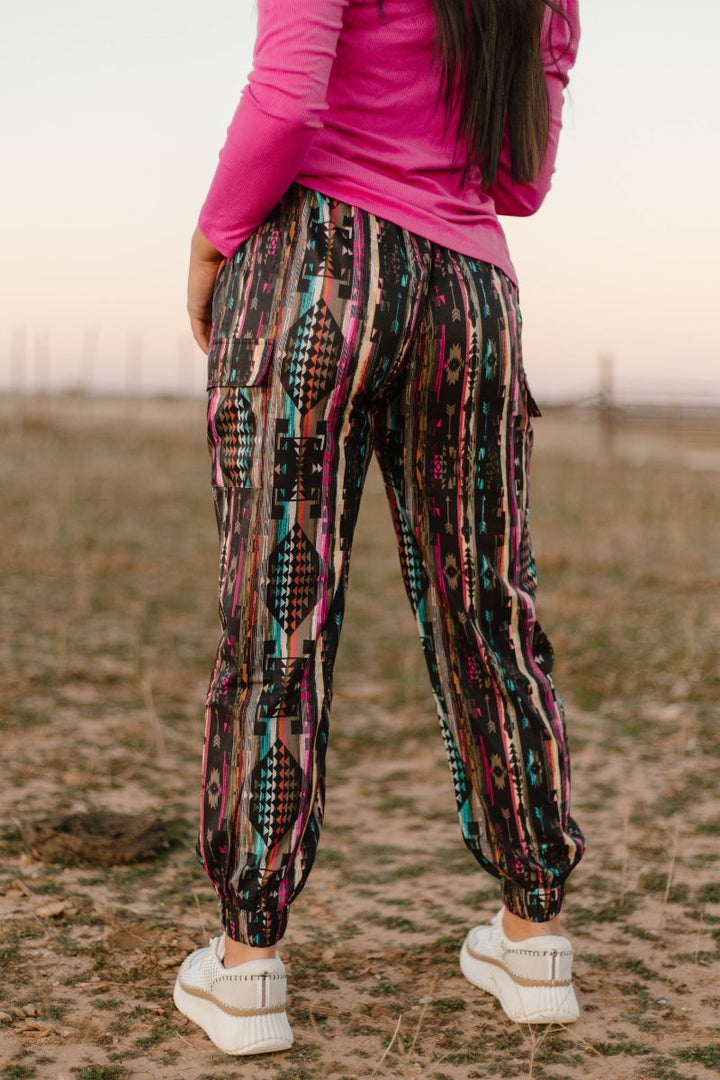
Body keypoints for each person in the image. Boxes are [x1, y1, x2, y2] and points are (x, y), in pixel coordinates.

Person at [176, 0, 586, 1057]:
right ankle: (535, 933)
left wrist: (212, 241)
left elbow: (287, 101)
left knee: (278, 612)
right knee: (488, 613)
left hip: (315, 268)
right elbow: (520, 180)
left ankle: (248, 965)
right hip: (471, 299)